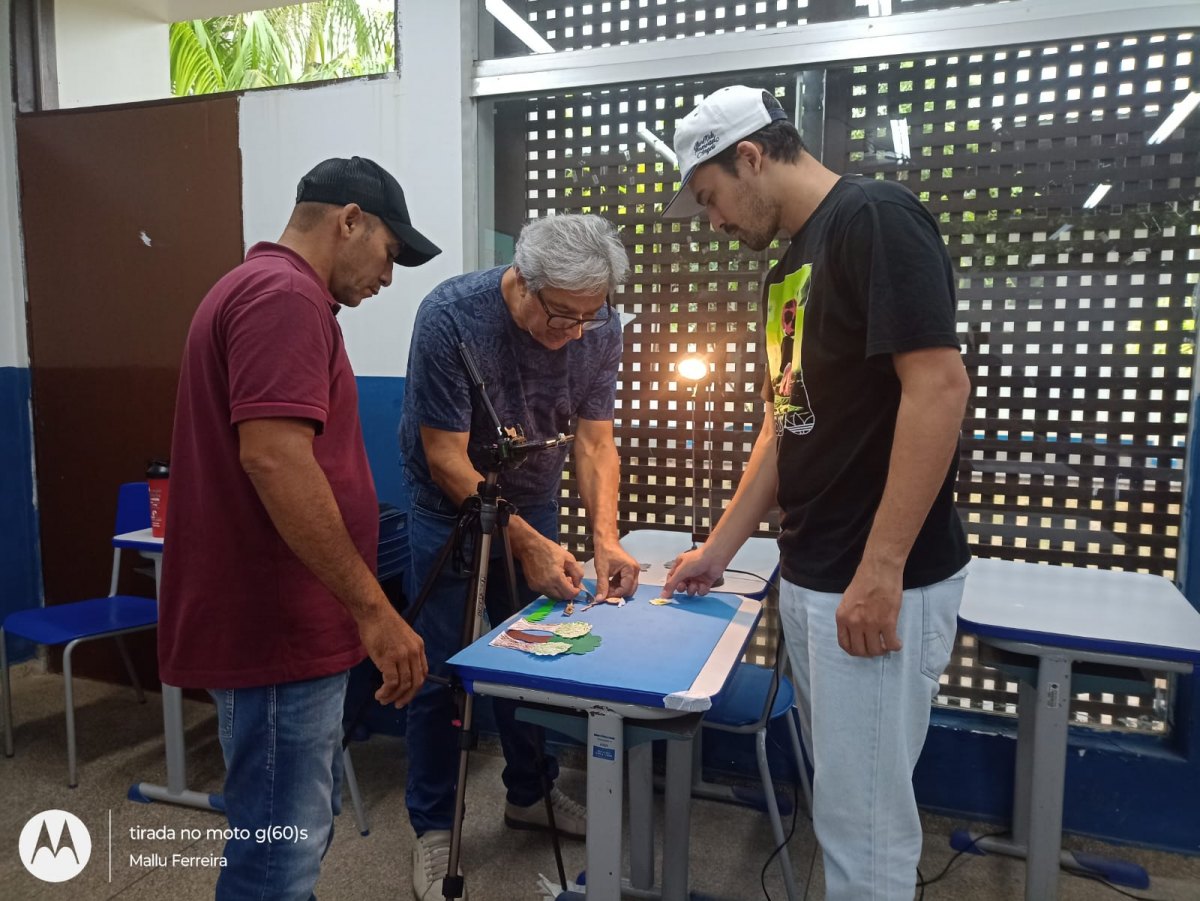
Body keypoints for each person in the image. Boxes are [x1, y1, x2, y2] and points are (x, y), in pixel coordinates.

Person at [659, 86, 972, 900]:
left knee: (864, 829)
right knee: (841, 804)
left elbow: (937, 387)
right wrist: (720, 549)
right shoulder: (789, 269)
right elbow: (783, 421)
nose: (715, 221)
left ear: (752, 158)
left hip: (869, 580)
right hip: (814, 570)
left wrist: (883, 569)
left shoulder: (875, 219)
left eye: (712, 196)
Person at [159, 156, 439, 901]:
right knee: (277, 855)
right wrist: (374, 610)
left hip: (279, 620)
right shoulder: (283, 296)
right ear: (350, 220)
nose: (389, 275)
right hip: (276, 626)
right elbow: (276, 462)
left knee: (284, 831)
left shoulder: (268, 291)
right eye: (390, 252)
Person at [398, 213, 641, 900]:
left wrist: (605, 537)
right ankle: (433, 822)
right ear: (524, 284)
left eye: (590, 318)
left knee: (537, 649)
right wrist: (526, 541)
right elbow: (444, 455)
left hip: (532, 499)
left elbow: (595, 441)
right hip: (446, 504)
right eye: (563, 316)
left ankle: (530, 792)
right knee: (441, 663)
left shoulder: (599, 326)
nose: (574, 333)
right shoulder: (451, 316)